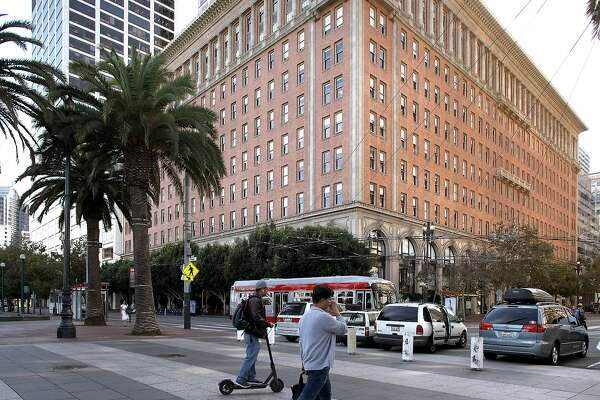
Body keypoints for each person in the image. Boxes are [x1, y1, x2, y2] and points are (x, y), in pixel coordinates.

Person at [297, 285, 347, 400]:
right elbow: (343, 329)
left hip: (311, 362)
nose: (330, 302)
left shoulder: (305, 316)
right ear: (323, 300)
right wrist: (337, 313)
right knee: (307, 396)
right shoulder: (322, 317)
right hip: (320, 365)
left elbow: (301, 342)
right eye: (329, 299)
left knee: (325, 395)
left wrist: (303, 362)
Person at [236, 280, 272, 388]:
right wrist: (267, 324)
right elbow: (256, 317)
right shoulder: (255, 301)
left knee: (252, 355)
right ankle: (241, 378)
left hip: (251, 332)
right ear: (261, 289)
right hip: (251, 332)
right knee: (251, 355)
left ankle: (251, 377)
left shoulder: (255, 299)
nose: (267, 290)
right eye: (266, 289)